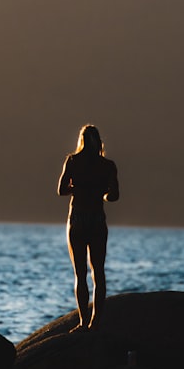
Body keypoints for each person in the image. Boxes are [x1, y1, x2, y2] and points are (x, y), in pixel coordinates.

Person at [57, 124, 120, 331]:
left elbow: (61, 190)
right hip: (97, 220)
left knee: (80, 273)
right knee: (98, 272)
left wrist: (78, 188)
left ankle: (83, 322)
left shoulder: (73, 161)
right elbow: (114, 196)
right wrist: (100, 191)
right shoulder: (108, 165)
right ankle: (95, 322)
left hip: (77, 219)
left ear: (81, 140)